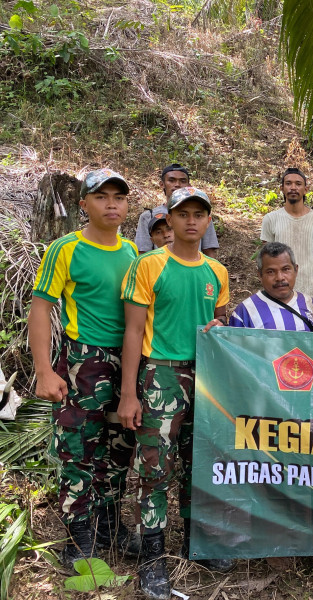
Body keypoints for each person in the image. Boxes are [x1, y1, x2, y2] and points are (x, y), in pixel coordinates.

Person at [119, 187, 231, 600]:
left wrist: (221, 328)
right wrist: (128, 393)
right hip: (161, 374)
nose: (191, 221)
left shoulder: (216, 272)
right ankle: (152, 557)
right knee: (154, 468)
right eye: (182, 213)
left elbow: (219, 326)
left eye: (199, 213)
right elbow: (133, 331)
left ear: (207, 220)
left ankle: (194, 543)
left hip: (205, 374)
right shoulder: (149, 265)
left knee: (198, 461)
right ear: (168, 219)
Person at [29, 168, 140, 569]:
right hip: (83, 361)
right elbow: (41, 308)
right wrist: (44, 370)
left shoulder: (132, 252)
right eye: (101, 197)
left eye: (119, 197)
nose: (112, 204)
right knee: (78, 449)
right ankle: (80, 538)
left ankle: (111, 527)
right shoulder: (66, 248)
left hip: (126, 361)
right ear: (83, 205)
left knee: (118, 447)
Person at [260, 168, 313, 299]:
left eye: (298, 184)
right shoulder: (271, 219)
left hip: (310, 294)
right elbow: (266, 258)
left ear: (306, 189)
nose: (293, 188)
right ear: (282, 188)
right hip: (278, 292)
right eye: (288, 183)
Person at [230, 242, 313, 332]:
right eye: (270, 272)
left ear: (296, 270)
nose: (279, 278)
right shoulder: (245, 311)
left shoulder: (310, 305)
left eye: (286, 269)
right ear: (260, 275)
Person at [135, 163, 219, 257]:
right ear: (162, 184)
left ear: (189, 185)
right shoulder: (148, 216)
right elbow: (143, 252)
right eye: (171, 180)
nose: (177, 185)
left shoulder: (202, 215)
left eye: (183, 181)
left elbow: (209, 251)